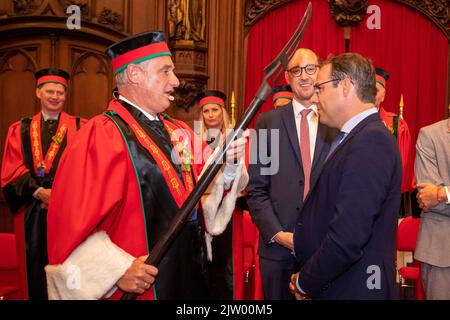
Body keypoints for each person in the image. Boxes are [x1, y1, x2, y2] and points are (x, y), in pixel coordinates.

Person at [44, 31, 248, 300]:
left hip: (191, 277)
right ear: (134, 75)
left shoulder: (179, 131)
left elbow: (206, 191)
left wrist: (229, 163)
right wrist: (116, 271)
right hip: (141, 289)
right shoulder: (101, 135)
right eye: (165, 71)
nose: (175, 81)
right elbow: (69, 226)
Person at [289, 53, 402, 300]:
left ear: (345, 86)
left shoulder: (371, 141)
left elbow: (347, 237)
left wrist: (306, 282)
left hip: (356, 286)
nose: (314, 97)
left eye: (320, 88)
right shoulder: (354, 137)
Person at [246, 48, 337, 300]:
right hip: (277, 250)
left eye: (310, 69)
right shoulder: (268, 122)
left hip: (325, 247)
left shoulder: (335, 122)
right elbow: (256, 188)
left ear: (319, 72)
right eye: (296, 70)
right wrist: (278, 234)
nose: (304, 76)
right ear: (287, 77)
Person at [1, 68, 86, 300]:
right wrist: (40, 192)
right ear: (38, 93)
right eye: (50, 91)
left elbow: (86, 167)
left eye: (60, 92)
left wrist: (59, 194)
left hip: (67, 207)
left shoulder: (80, 128)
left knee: (68, 262)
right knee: (33, 265)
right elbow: (11, 169)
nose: (55, 96)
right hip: (31, 207)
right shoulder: (19, 129)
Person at [414, 117, 450, 299]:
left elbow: (436, 197)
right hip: (441, 252)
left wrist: (444, 193)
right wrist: (436, 195)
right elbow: (427, 199)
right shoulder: (430, 135)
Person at [375, 67, 413, 216]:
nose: (370, 95)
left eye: (375, 91)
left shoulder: (397, 125)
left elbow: (402, 168)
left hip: (387, 196)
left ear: (383, 95)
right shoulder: (348, 121)